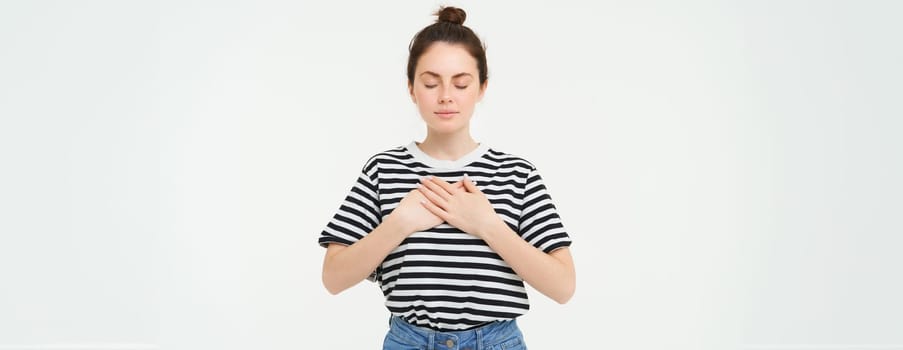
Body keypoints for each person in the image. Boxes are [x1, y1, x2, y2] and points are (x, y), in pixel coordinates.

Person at [318, 6, 575, 349]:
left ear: (482, 87)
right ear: (411, 88)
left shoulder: (517, 174)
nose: (445, 96)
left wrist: (487, 224)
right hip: (408, 340)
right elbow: (333, 277)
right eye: (430, 82)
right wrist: (400, 223)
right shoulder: (383, 169)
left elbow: (563, 286)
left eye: (461, 82)